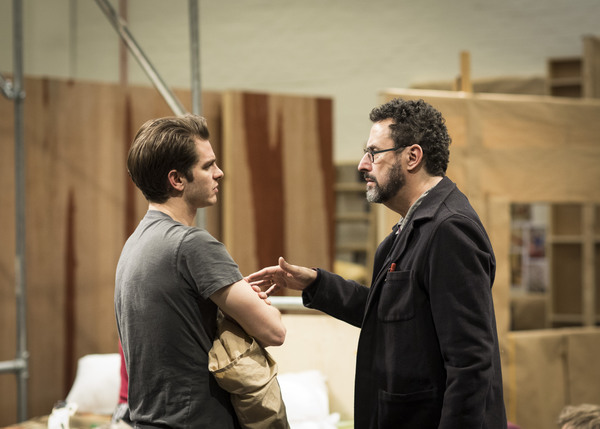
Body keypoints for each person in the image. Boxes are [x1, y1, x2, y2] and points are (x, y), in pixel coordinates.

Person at [247, 98, 507, 428]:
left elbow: (471, 362)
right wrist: (316, 283)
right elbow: (386, 312)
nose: (362, 164)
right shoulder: (408, 230)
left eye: (374, 153)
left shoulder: (449, 230)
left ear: (412, 157)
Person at [115, 115, 286, 428]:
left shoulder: (134, 245)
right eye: (208, 166)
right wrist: (257, 306)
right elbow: (274, 332)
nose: (219, 173)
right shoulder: (192, 245)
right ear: (177, 180)